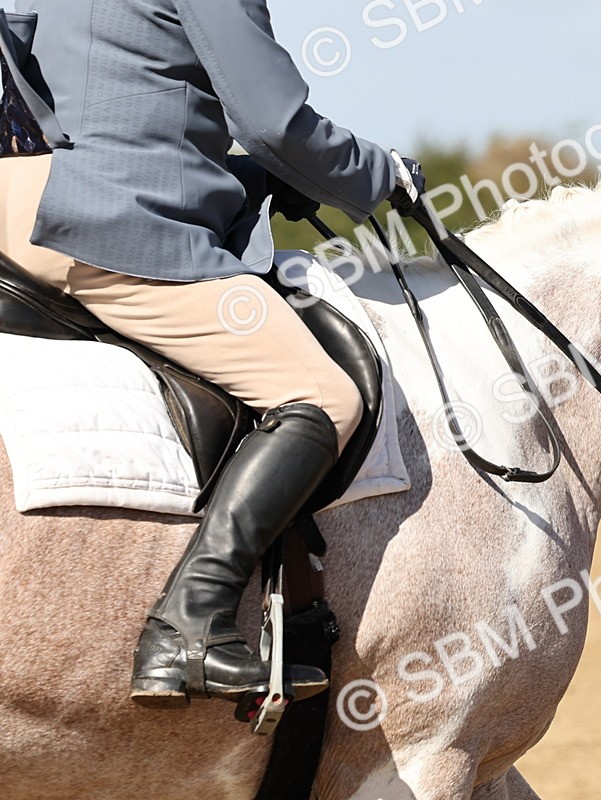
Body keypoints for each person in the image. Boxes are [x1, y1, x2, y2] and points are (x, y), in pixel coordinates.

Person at [0, 1, 424, 709]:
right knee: (323, 396)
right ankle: (188, 625)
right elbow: (274, 123)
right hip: (115, 224)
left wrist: (250, 178)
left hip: (20, 205)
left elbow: (78, 84)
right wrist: (380, 174)